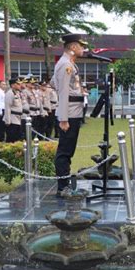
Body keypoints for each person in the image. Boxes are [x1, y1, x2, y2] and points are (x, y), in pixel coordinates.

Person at [53, 34, 87, 195]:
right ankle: (63, 187)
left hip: (74, 112)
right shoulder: (66, 64)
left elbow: (55, 83)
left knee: (69, 150)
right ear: (73, 47)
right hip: (70, 114)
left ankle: (65, 185)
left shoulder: (68, 63)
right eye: (81, 46)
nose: (83, 49)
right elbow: (64, 91)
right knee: (64, 151)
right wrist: (64, 118)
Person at [4, 78, 23, 143]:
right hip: (12, 119)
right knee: (11, 139)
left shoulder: (17, 93)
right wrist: (7, 120)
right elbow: (7, 107)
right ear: (12, 85)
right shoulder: (9, 93)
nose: (20, 85)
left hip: (18, 118)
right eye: (17, 84)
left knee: (17, 138)